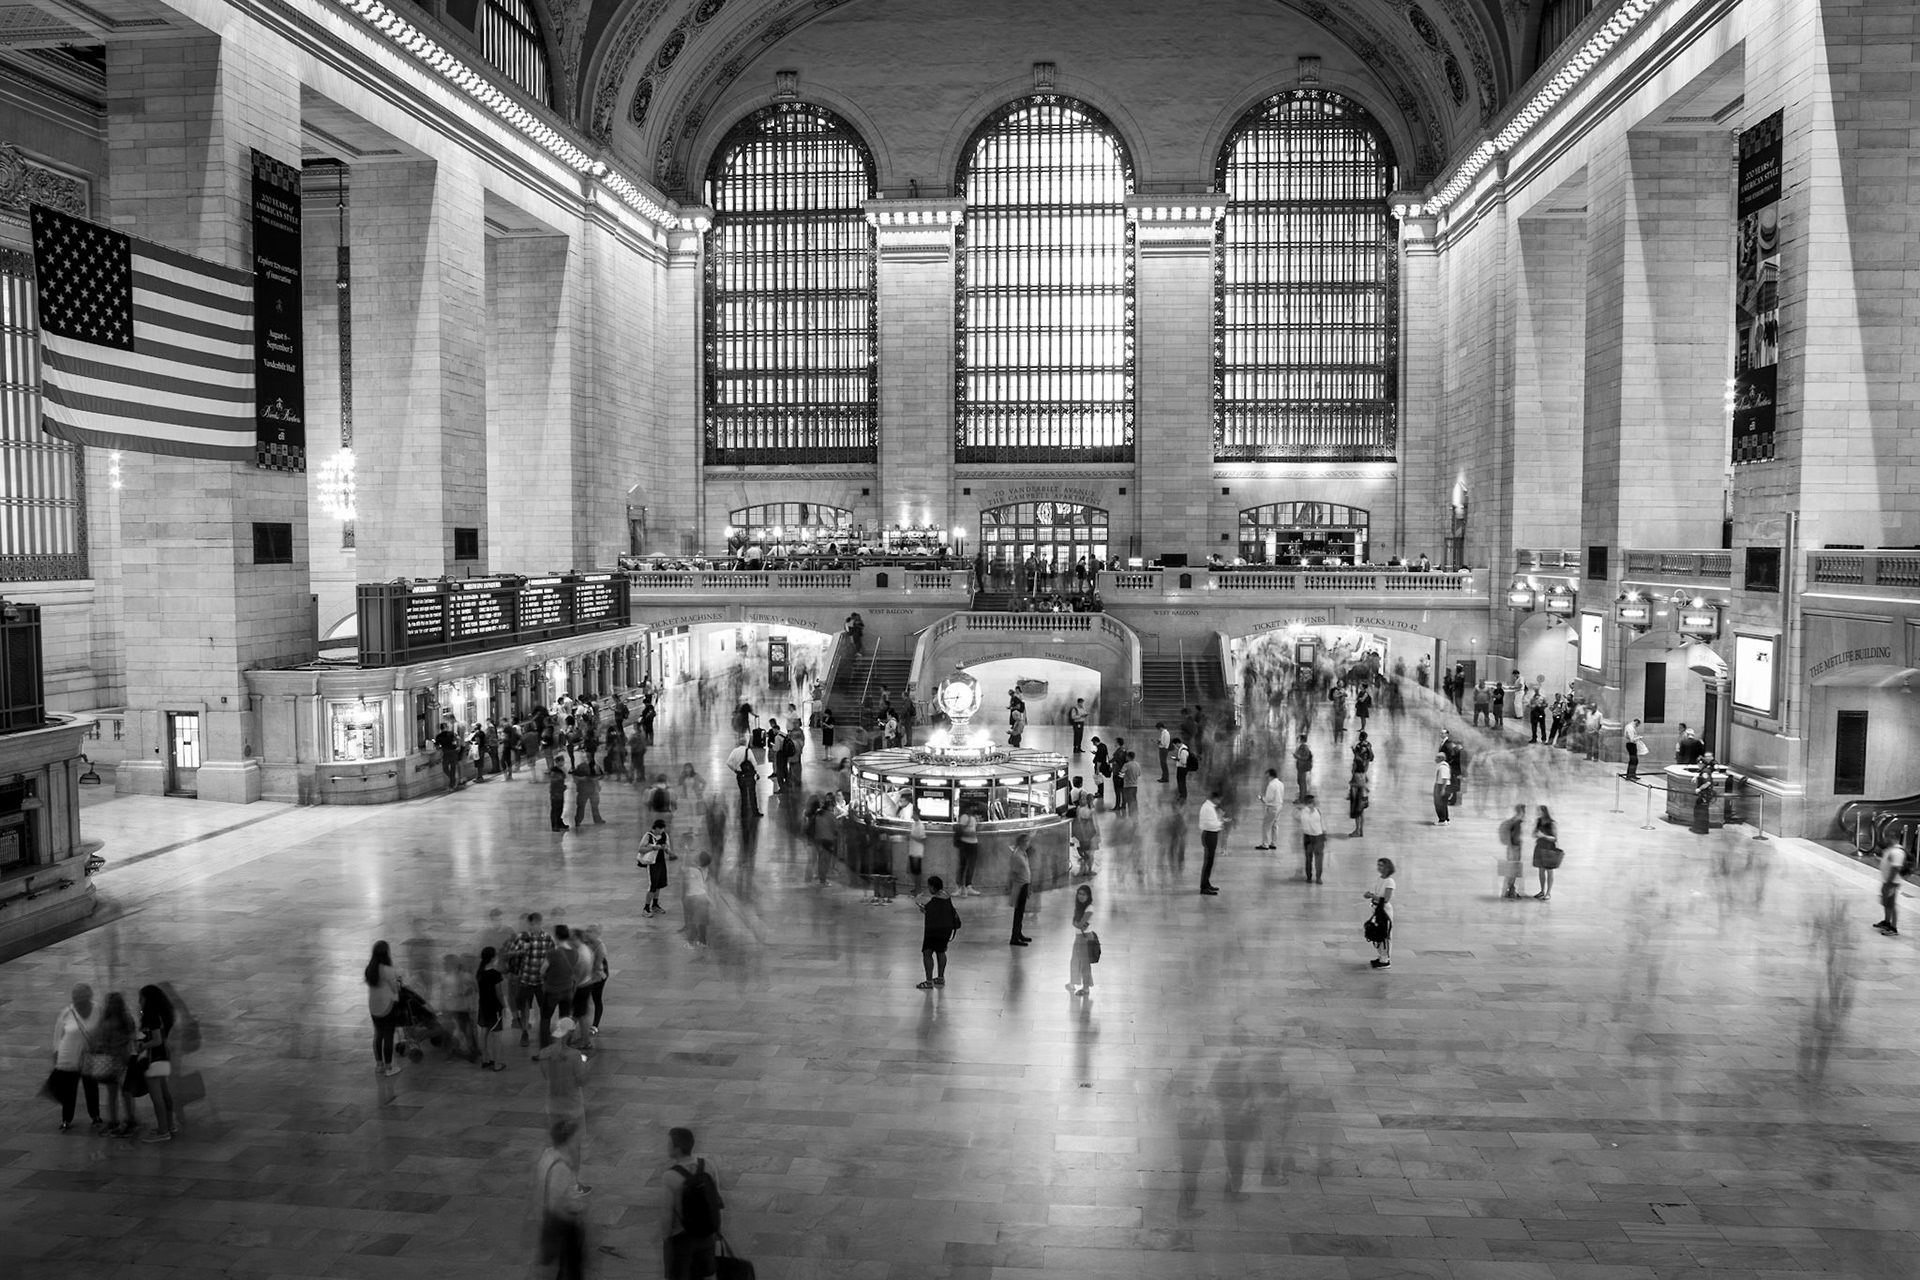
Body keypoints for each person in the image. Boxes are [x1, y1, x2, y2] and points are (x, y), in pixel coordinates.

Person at [662, 1127, 723, 1280]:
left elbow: (667, 1214)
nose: (667, 1147)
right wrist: (717, 1229)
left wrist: (666, 1237)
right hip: (707, 1233)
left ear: (677, 1148)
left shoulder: (670, 1176)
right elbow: (716, 1200)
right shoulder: (708, 1165)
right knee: (707, 1275)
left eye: (669, 1144)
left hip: (682, 1237)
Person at [536, 1118, 591, 1280]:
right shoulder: (560, 1168)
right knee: (571, 1269)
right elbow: (555, 1205)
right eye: (575, 1138)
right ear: (567, 1141)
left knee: (564, 1269)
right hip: (563, 1226)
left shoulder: (548, 1155)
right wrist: (575, 1220)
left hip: (555, 1224)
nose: (578, 1141)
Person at [48, 983, 103, 1132]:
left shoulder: (97, 1009)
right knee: (69, 1090)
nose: (78, 1000)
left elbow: (103, 1030)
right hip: (69, 1059)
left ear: (88, 997)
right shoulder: (66, 1013)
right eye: (76, 997)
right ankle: (66, 1119)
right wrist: (56, 1057)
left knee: (91, 1087)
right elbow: (57, 1037)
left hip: (89, 1056)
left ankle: (95, 1115)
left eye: (82, 997)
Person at [135, 984, 179, 1141]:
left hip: (153, 1058)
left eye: (141, 998)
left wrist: (142, 1045)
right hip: (164, 1056)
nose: (139, 1001)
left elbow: (156, 1040)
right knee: (164, 1091)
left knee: (156, 1096)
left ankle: (163, 1131)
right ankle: (169, 1124)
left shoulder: (151, 1016)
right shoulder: (163, 1015)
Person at [507, 914, 553, 1047]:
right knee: (524, 1008)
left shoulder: (547, 938)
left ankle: (545, 1032)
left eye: (537, 924)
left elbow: (552, 957)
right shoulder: (521, 937)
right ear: (529, 924)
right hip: (525, 979)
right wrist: (521, 950)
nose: (534, 927)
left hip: (542, 981)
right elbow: (510, 954)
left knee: (544, 1008)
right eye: (532, 924)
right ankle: (524, 1032)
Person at [95, 990, 136, 1135]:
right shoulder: (127, 1020)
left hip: (113, 1060)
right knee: (123, 1092)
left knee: (115, 1092)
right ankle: (127, 1120)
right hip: (122, 1059)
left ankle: (116, 1121)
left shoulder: (107, 1022)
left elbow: (102, 1041)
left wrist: (107, 1047)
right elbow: (132, 1036)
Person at [366, 941, 405, 1078]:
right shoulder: (388, 970)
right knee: (388, 1035)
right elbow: (396, 988)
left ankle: (379, 1065)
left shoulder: (369, 968)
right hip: (387, 1006)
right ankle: (389, 1067)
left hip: (373, 1006)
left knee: (378, 1034)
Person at [916, 876, 963, 989]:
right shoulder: (946, 896)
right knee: (941, 952)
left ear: (932, 886)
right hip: (946, 931)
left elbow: (929, 911)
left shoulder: (936, 900)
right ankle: (940, 978)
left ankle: (928, 981)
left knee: (927, 953)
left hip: (934, 931)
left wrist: (922, 908)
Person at [477, 947, 507, 1071]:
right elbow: (499, 993)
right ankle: (497, 1064)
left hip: (483, 1006)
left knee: (484, 1032)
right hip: (494, 1008)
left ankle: (485, 1060)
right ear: (493, 958)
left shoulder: (480, 972)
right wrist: (504, 1006)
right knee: (496, 1036)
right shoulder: (495, 974)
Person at [1364, 857, 1396, 969]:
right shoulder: (1380, 879)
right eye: (1379, 865)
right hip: (1376, 908)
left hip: (1384, 910)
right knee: (1377, 932)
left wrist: (1372, 896)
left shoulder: (1390, 881)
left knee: (1385, 934)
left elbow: (1386, 899)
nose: (1380, 868)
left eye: (1382, 865)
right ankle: (1381, 955)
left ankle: (1385, 959)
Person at [575, 929, 610, 1030]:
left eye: (590, 931)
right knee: (583, 1003)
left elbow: (597, 965)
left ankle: (594, 1025)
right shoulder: (583, 944)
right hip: (587, 977)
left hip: (597, 977)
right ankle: (578, 1024)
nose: (587, 933)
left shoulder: (599, 946)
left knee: (596, 999)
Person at [1875, 834, 1907, 936]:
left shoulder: (1897, 852)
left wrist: (1889, 882)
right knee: (1886, 902)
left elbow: (1896, 868)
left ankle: (1893, 927)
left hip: (1892, 882)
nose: (1885, 840)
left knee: (1891, 904)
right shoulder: (1890, 849)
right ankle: (1886, 921)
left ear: (1893, 839)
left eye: (1888, 838)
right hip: (1887, 881)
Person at [1198, 789, 1227, 896]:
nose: (1220, 802)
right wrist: (1220, 822)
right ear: (1215, 798)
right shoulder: (1208, 809)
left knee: (1210, 861)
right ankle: (1203, 887)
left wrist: (1219, 820)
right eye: (1219, 800)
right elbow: (1211, 824)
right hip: (1209, 835)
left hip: (1211, 834)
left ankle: (1207, 883)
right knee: (1208, 862)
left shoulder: (1210, 807)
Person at [1067, 884, 1095, 996]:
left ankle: (1086, 987)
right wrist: (1077, 923)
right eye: (1079, 894)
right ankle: (1073, 983)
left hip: (1086, 938)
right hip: (1079, 937)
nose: (1081, 896)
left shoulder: (1089, 909)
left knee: (1084, 963)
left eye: (1084, 894)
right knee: (1075, 960)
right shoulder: (1080, 907)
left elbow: (1079, 924)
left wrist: (1077, 923)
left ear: (1088, 896)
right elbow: (1076, 923)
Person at [641, 819, 672, 915]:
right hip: (652, 863)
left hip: (661, 862)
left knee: (659, 884)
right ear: (655, 828)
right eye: (660, 829)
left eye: (662, 829)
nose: (661, 831)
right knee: (652, 886)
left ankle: (654, 905)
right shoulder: (648, 836)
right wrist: (653, 847)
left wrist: (666, 849)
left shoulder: (664, 835)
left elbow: (668, 850)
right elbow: (641, 848)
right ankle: (646, 908)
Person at [1008, 835, 1034, 946]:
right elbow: (1013, 872)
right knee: (1018, 912)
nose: (1029, 844)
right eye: (1027, 841)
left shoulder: (1022, 853)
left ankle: (1018, 933)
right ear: (1023, 842)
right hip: (1020, 886)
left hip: (1024, 885)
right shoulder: (1017, 855)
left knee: (1021, 912)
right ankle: (1014, 937)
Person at [1531, 805, 1561, 900]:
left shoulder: (1552, 823)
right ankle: (1542, 891)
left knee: (1549, 870)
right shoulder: (1539, 821)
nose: (1538, 813)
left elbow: (1554, 838)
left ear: (1545, 812)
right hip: (1540, 847)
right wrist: (1536, 834)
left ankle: (1548, 892)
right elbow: (1534, 833)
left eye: (1539, 811)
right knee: (1541, 870)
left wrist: (1543, 836)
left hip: (1549, 848)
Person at [684, 853, 713, 950]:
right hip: (703, 898)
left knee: (692, 921)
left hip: (692, 898)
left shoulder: (693, 871)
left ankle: (690, 942)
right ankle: (702, 941)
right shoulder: (706, 870)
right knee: (702, 922)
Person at [1498, 804, 1526, 900]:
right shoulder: (1515, 822)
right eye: (1524, 811)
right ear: (1521, 812)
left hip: (1515, 848)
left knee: (1514, 872)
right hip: (1513, 849)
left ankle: (1511, 890)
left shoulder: (1517, 822)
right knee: (1511, 872)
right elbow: (1513, 837)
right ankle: (1505, 891)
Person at [1298, 792, 1326, 882]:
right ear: (1307, 803)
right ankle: (1309, 876)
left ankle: (1318, 877)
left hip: (1319, 836)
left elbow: (1322, 822)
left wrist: (1324, 832)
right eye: (1312, 802)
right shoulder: (1303, 812)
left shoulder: (1318, 810)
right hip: (1309, 837)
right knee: (1308, 858)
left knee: (1319, 858)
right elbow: (1304, 823)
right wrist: (1308, 810)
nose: (1314, 803)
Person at [570, 757, 605, 828]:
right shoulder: (587, 766)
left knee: (583, 806)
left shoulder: (593, 766)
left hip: (586, 790)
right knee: (587, 806)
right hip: (587, 790)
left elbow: (575, 777)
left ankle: (578, 820)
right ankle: (595, 819)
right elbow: (600, 776)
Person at [954, 806, 981, 896]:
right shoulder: (965, 817)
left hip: (971, 844)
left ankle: (966, 887)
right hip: (967, 844)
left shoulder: (973, 818)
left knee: (968, 866)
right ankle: (962, 888)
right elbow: (962, 830)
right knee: (964, 866)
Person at [1257, 768, 1284, 850]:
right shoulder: (1280, 783)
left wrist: (1261, 798)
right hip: (1279, 806)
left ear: (1270, 775)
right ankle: (1274, 843)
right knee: (1275, 825)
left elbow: (1269, 798)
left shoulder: (1271, 785)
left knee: (1266, 826)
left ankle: (1265, 844)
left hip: (1272, 807)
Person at [435, 720, 463, 790]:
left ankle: (452, 782)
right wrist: (458, 746)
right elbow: (458, 738)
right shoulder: (451, 733)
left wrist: (441, 747)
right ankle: (452, 783)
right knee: (453, 768)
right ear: (446, 727)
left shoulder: (439, 736)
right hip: (454, 752)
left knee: (445, 768)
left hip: (446, 753)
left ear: (440, 728)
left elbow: (437, 746)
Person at [1347, 764, 1370, 838]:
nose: (1352, 767)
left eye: (1353, 765)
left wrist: (1352, 783)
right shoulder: (1363, 773)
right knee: (1362, 813)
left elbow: (1359, 785)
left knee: (1357, 814)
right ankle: (1361, 829)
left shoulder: (1355, 774)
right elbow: (1366, 781)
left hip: (1358, 796)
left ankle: (1357, 830)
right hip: (1364, 795)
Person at [905, 813, 927, 894]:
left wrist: (912, 837)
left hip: (917, 852)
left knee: (917, 872)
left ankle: (919, 890)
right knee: (911, 871)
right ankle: (916, 888)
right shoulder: (913, 825)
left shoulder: (921, 826)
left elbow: (923, 840)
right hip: (912, 851)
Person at [547, 759, 569, 832]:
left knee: (560, 808)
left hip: (560, 793)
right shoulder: (555, 772)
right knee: (555, 809)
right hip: (555, 793)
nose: (563, 763)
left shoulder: (560, 770)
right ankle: (555, 824)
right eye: (561, 761)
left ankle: (559, 822)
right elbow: (555, 782)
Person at [1431, 752, 1452, 825]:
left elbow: (1445, 779)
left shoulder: (1442, 767)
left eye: (1437, 757)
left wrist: (1443, 789)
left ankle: (1442, 820)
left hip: (1441, 786)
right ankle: (1446, 819)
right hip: (1442, 785)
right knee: (1443, 804)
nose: (1435, 759)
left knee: (1439, 804)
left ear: (1441, 758)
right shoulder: (1443, 766)